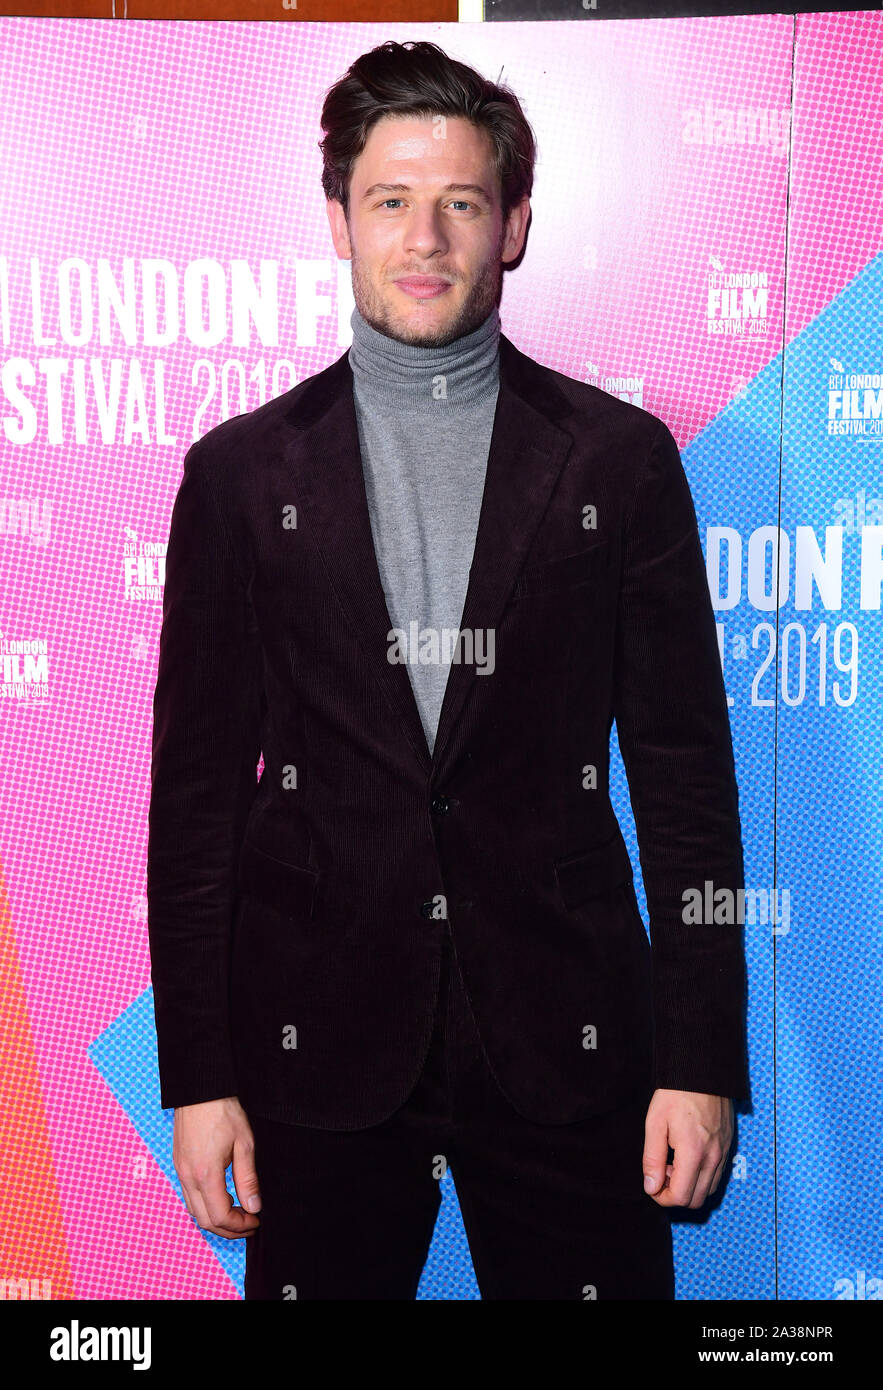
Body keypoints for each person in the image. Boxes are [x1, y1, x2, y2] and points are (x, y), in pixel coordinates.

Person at [147, 39, 749, 1301]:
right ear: (339, 221)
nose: (423, 238)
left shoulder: (617, 463)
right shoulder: (242, 476)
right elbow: (194, 808)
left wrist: (700, 1059)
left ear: (513, 225)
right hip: (317, 1048)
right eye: (389, 201)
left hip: (569, 1042)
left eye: (460, 203)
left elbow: (688, 786)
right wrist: (197, 1079)